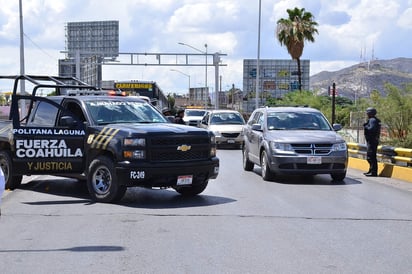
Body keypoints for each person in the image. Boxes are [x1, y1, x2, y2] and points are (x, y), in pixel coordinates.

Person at [363, 107, 381, 177]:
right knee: (371, 156)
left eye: (367, 112)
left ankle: (373, 172)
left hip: (372, 141)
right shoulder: (374, 120)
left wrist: (365, 126)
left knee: (371, 157)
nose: (367, 114)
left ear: (370, 113)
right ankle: (371, 170)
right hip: (372, 141)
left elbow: (371, 129)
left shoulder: (372, 120)